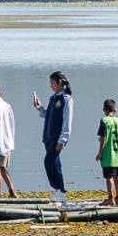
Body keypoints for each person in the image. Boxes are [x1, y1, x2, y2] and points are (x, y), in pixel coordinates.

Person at [32, 71, 74, 205]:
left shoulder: (66, 99)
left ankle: (59, 190)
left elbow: (67, 120)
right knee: (56, 164)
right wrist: (39, 108)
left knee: (48, 162)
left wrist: (63, 139)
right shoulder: (53, 98)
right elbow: (48, 116)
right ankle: (59, 191)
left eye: (52, 83)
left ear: (59, 82)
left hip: (57, 138)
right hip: (48, 137)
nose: (51, 86)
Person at [96, 98, 118, 206]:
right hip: (117, 154)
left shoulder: (104, 120)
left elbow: (103, 137)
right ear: (115, 110)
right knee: (117, 176)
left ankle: (110, 198)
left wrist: (100, 152)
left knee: (109, 177)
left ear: (104, 109)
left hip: (108, 154)